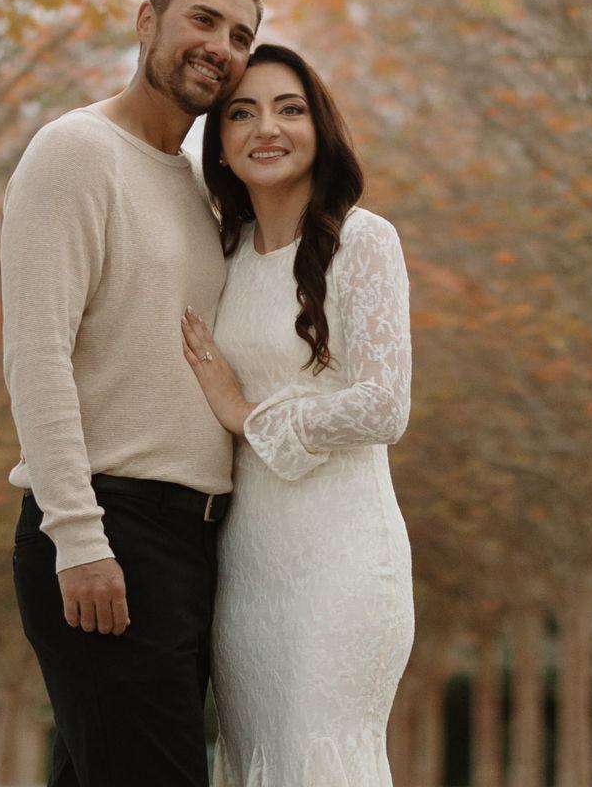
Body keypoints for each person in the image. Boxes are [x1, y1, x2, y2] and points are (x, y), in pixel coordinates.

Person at [2, 0, 265, 787]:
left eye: (241, 36)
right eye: (204, 20)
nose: (221, 46)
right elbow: (36, 353)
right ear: (147, 21)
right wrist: (78, 537)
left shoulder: (200, 188)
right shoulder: (77, 150)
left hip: (195, 540)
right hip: (109, 526)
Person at [180, 42, 415, 787]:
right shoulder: (223, 256)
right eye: (241, 113)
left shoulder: (363, 240)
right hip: (246, 566)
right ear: (220, 142)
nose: (266, 129)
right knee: (258, 757)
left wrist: (245, 413)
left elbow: (384, 406)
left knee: (322, 754)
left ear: (320, 127)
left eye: (289, 109)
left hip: (342, 557)